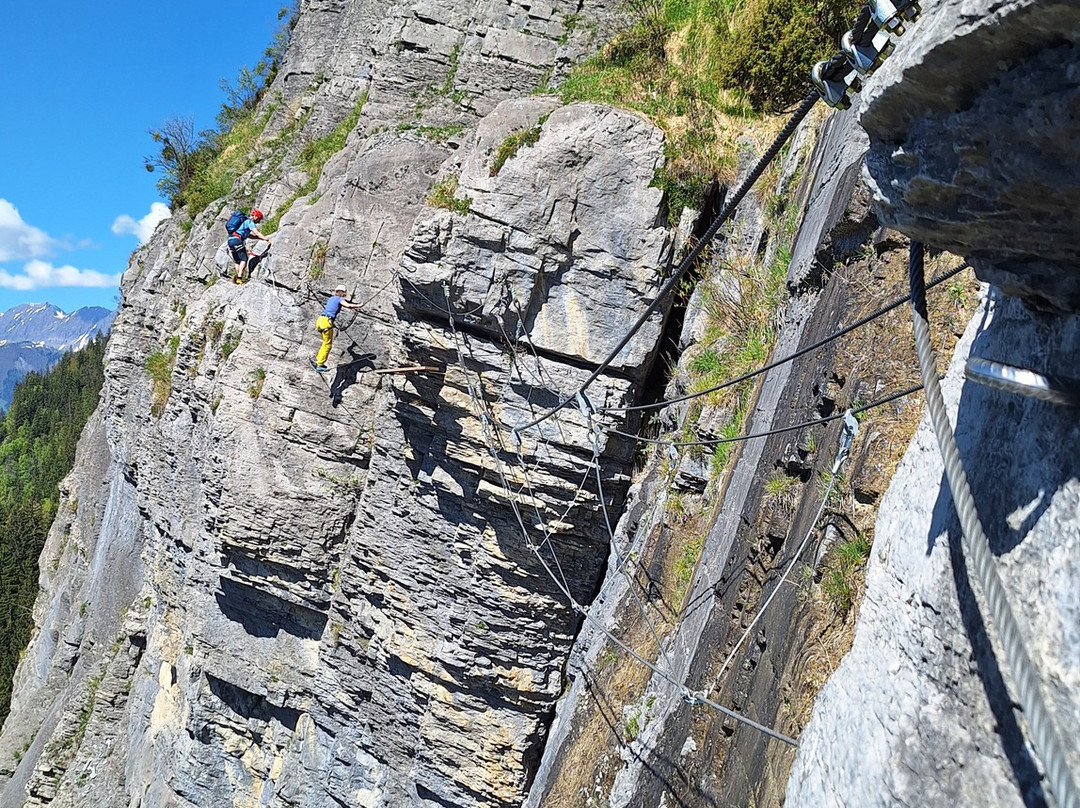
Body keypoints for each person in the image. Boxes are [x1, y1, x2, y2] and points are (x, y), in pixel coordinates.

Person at [314, 285, 362, 372]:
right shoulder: (339, 299)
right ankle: (320, 365)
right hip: (326, 322)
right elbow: (348, 305)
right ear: (342, 293)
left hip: (320, 320)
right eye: (344, 293)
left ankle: (318, 360)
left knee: (325, 343)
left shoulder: (331, 298)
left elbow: (335, 307)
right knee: (327, 344)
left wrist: (352, 346)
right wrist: (359, 305)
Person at [228, 209, 272, 284]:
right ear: (255, 217)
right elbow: (256, 233)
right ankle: (239, 278)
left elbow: (250, 235)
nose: (258, 221)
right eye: (258, 219)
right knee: (244, 259)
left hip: (230, 240)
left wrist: (259, 238)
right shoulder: (249, 222)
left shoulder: (242, 222)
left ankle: (238, 279)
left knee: (237, 261)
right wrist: (266, 239)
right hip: (237, 240)